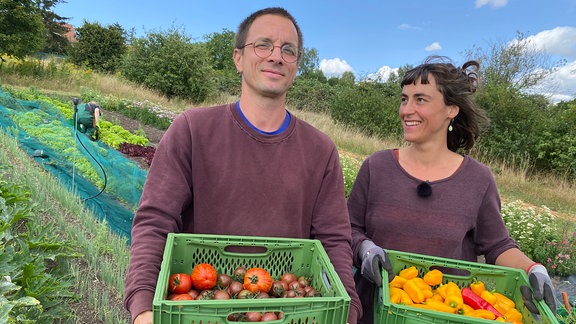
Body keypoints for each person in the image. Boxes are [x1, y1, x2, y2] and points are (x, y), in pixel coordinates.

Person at [123, 7, 362, 324]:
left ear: (296, 66)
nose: (276, 56)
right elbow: (155, 221)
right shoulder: (193, 130)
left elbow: (334, 240)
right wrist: (143, 306)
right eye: (263, 45)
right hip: (200, 310)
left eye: (288, 50)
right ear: (238, 58)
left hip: (284, 311)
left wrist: (348, 310)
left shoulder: (321, 150)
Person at [348, 56, 557, 324]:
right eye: (404, 99)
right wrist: (365, 248)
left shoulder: (477, 179)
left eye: (420, 100)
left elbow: (497, 245)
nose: (406, 110)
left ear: (451, 110)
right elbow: (349, 228)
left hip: (445, 313)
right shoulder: (377, 166)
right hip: (375, 313)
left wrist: (533, 268)